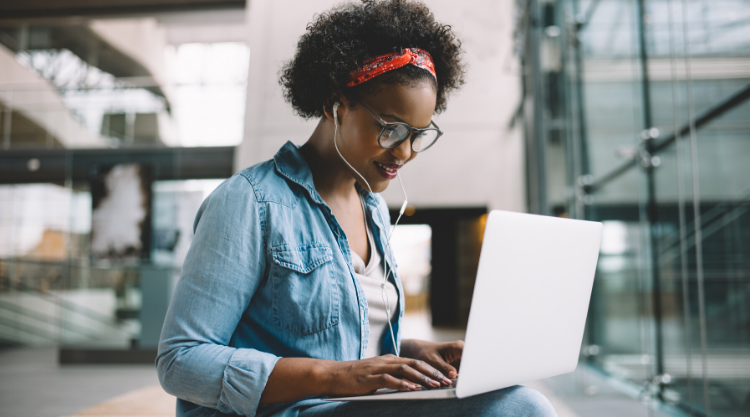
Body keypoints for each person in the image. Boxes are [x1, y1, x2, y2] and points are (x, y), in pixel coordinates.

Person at [156, 1, 557, 416]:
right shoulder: (248, 203)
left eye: (418, 135)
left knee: (515, 402)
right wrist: (333, 377)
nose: (404, 152)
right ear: (336, 104)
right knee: (519, 408)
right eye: (390, 129)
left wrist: (413, 355)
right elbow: (180, 361)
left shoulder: (374, 212)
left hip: (353, 407)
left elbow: (350, 339)